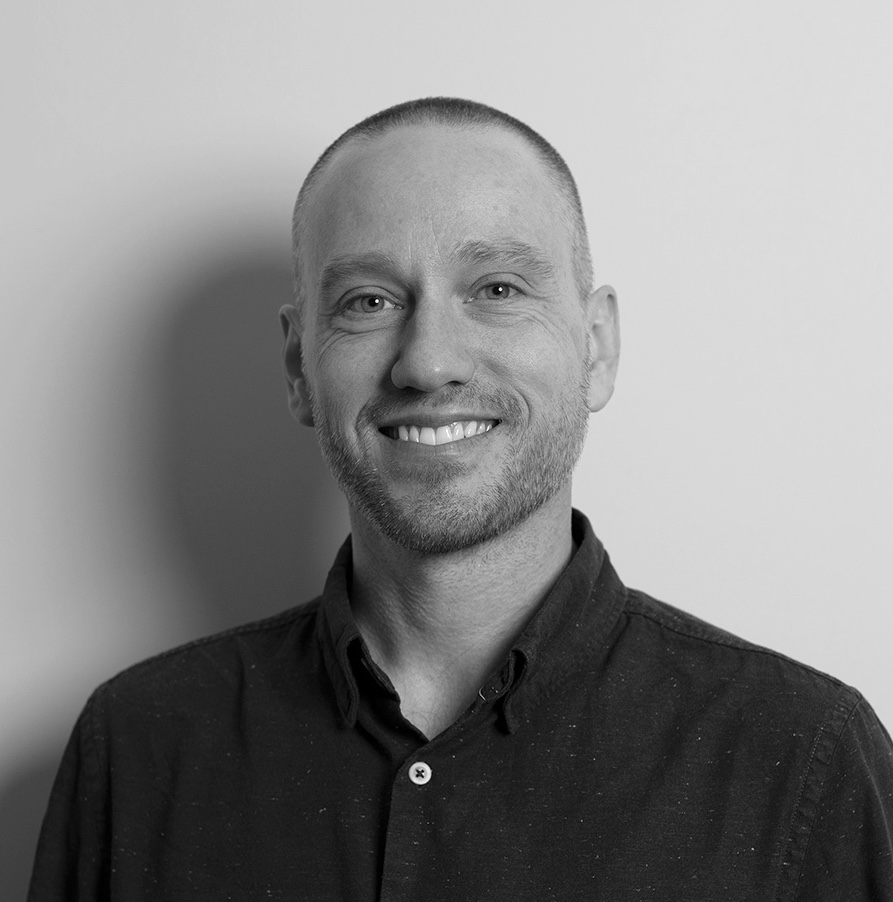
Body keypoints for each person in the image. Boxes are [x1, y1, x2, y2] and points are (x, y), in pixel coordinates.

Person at [29, 98, 893, 901]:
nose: (428, 360)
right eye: (369, 301)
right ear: (299, 368)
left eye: (496, 290)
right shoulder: (138, 748)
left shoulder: (800, 757)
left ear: (595, 347)